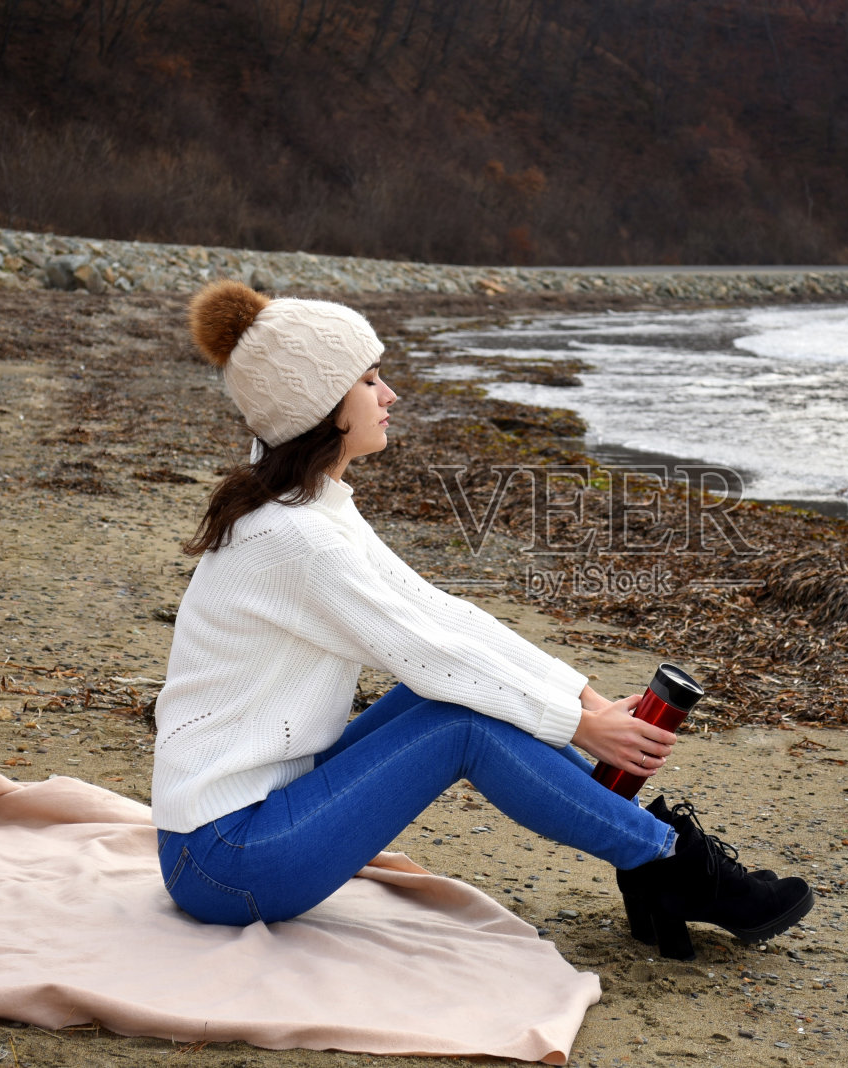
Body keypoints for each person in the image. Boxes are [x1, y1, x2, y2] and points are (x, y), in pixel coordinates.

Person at [151, 280, 812, 961]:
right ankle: (667, 865)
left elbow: (441, 613)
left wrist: (580, 700)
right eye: (370, 380)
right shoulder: (297, 539)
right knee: (461, 716)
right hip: (225, 861)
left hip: (254, 814)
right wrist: (581, 725)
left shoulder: (304, 506)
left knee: (448, 695)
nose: (390, 396)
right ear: (319, 409)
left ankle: (651, 860)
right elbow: (427, 647)